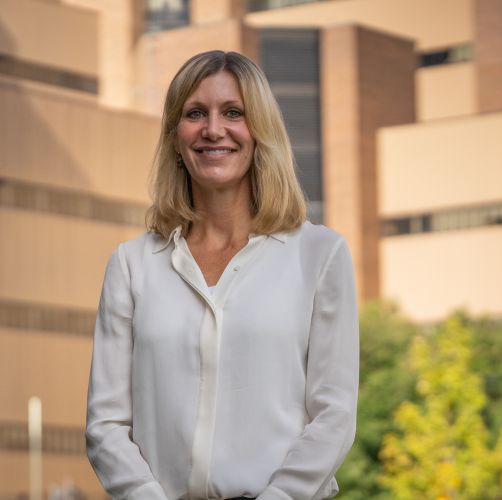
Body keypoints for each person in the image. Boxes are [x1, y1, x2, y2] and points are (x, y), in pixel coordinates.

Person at [85, 50, 359, 500]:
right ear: (176, 135)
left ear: (260, 131)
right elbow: (106, 424)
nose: (214, 129)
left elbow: (334, 415)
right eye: (196, 113)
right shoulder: (132, 266)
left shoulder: (320, 255)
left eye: (234, 112)